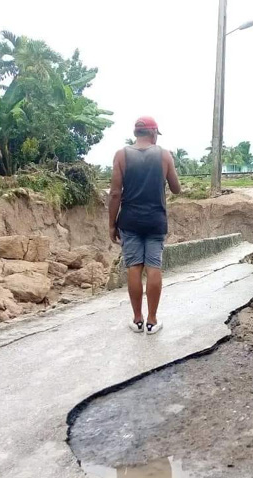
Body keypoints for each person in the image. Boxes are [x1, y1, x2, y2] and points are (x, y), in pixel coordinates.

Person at [109, 116, 182, 334]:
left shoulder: (121, 155)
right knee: (153, 267)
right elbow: (176, 188)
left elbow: (114, 193)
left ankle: (137, 319)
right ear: (153, 133)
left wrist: (112, 224)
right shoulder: (164, 155)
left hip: (129, 221)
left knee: (134, 266)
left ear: (136, 133)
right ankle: (152, 321)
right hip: (155, 221)